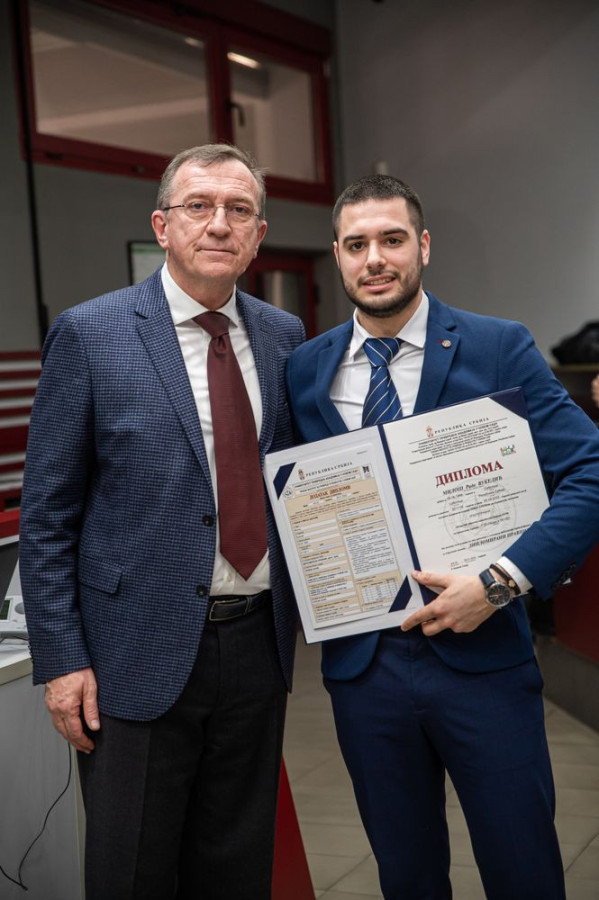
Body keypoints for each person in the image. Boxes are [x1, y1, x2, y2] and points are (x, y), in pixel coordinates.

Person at [285, 174, 599, 900]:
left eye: (392, 239)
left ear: (422, 246)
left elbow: (589, 471)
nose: (375, 259)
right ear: (337, 255)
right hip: (364, 671)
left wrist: (500, 583)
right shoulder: (304, 368)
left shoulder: (497, 346)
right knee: (406, 875)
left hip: (484, 659)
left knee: (522, 870)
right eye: (356, 244)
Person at [19, 143, 305, 900]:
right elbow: (48, 515)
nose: (219, 224)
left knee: (237, 866)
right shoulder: (91, 333)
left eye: (238, 209)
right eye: (198, 206)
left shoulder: (285, 336)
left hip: (256, 646)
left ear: (258, 233)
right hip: (129, 653)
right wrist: (61, 660)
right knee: (132, 870)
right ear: (162, 224)